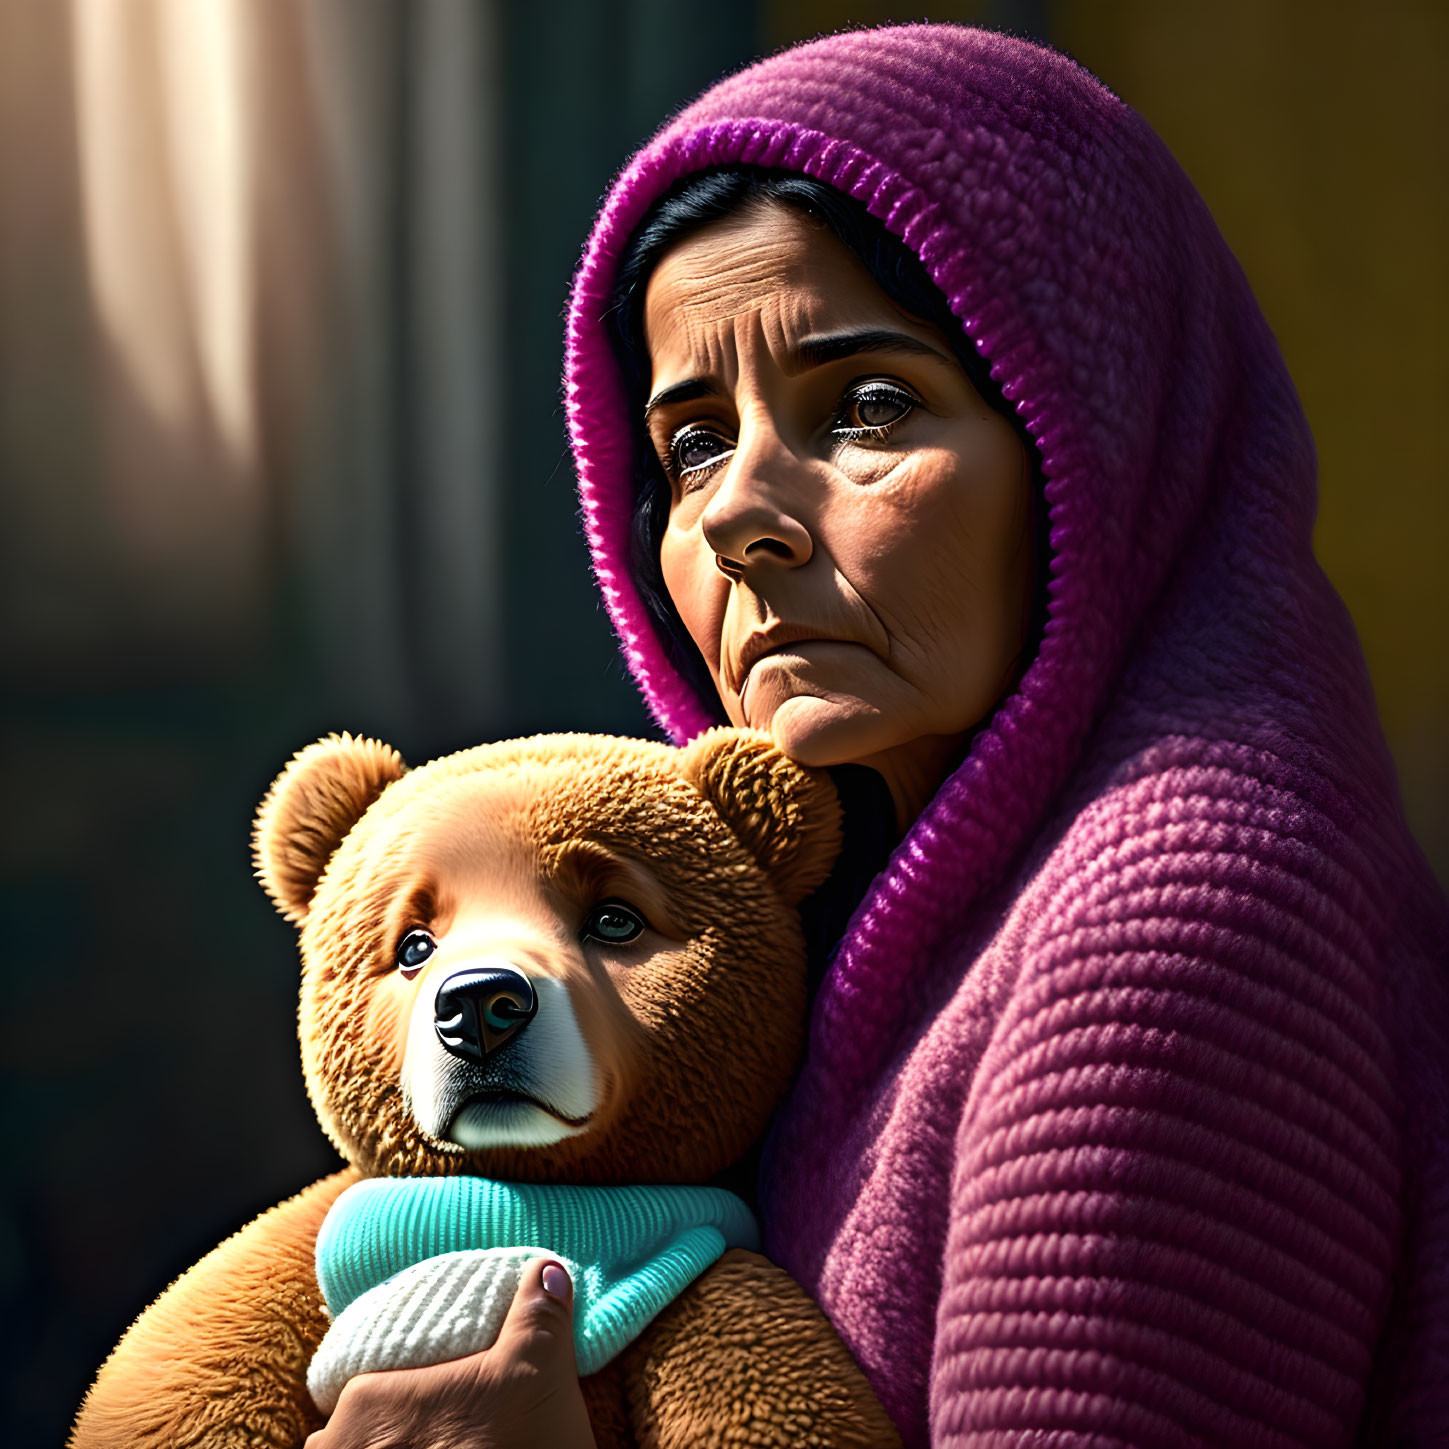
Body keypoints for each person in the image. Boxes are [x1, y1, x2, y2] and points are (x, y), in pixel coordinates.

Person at [309, 24, 1449, 1448]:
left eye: (864, 406)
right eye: (691, 444)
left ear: (1093, 437)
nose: (734, 516)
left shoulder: (1167, 925)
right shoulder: (839, 933)